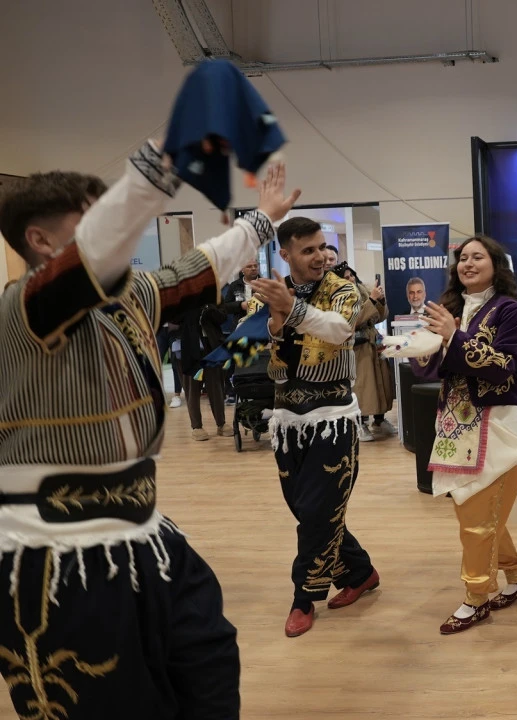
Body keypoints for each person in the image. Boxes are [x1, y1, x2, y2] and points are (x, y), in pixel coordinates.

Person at [0, 143, 297, 716]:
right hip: (54, 553)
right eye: (98, 218)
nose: (124, 231)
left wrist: (263, 220)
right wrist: (163, 160)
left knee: (208, 663)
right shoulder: (25, 306)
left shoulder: (127, 293)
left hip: (141, 531)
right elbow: (92, 258)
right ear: (41, 242)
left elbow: (197, 268)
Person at [244, 217, 380, 638]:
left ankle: (304, 598)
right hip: (287, 422)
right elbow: (252, 342)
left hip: (332, 421)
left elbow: (339, 331)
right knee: (307, 510)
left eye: (323, 247)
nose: (321, 256)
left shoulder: (343, 288)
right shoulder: (265, 294)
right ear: (285, 255)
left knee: (318, 515)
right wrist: (273, 315)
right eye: (309, 250)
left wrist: (291, 307)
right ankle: (360, 572)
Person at [411, 235, 517, 634]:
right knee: (478, 511)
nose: (467, 263)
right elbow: (427, 368)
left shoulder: (509, 311)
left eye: (477, 257)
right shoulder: (450, 308)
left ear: (495, 265)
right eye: (462, 258)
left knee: (476, 519)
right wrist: (416, 345)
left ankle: (476, 597)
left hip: (499, 424)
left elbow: (503, 365)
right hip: (456, 425)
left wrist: (454, 337)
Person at [349, 272, 397, 442]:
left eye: (352, 275)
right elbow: (352, 321)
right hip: (357, 345)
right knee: (364, 386)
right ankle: (360, 423)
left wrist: (381, 300)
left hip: (373, 340)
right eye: (346, 277)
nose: (350, 279)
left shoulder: (363, 290)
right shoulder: (340, 296)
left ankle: (379, 419)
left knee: (382, 381)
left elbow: (380, 316)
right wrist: (371, 300)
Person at [177, 303, 232, 440]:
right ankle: (196, 426)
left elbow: (222, 317)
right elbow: (175, 319)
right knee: (192, 388)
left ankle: (221, 424)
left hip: (211, 345)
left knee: (216, 386)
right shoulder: (184, 296)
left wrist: (208, 307)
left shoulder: (214, 296)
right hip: (189, 347)